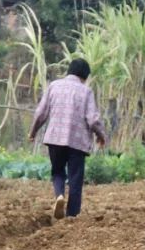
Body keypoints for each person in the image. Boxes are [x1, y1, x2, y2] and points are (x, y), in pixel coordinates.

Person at [29, 58, 107, 219]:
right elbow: (92, 119)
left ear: (69, 71)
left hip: (55, 139)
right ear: (85, 76)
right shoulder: (86, 92)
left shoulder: (54, 86)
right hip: (77, 142)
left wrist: (33, 132)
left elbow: (41, 113)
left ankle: (59, 195)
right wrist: (101, 135)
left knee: (57, 171)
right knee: (75, 178)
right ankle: (72, 216)